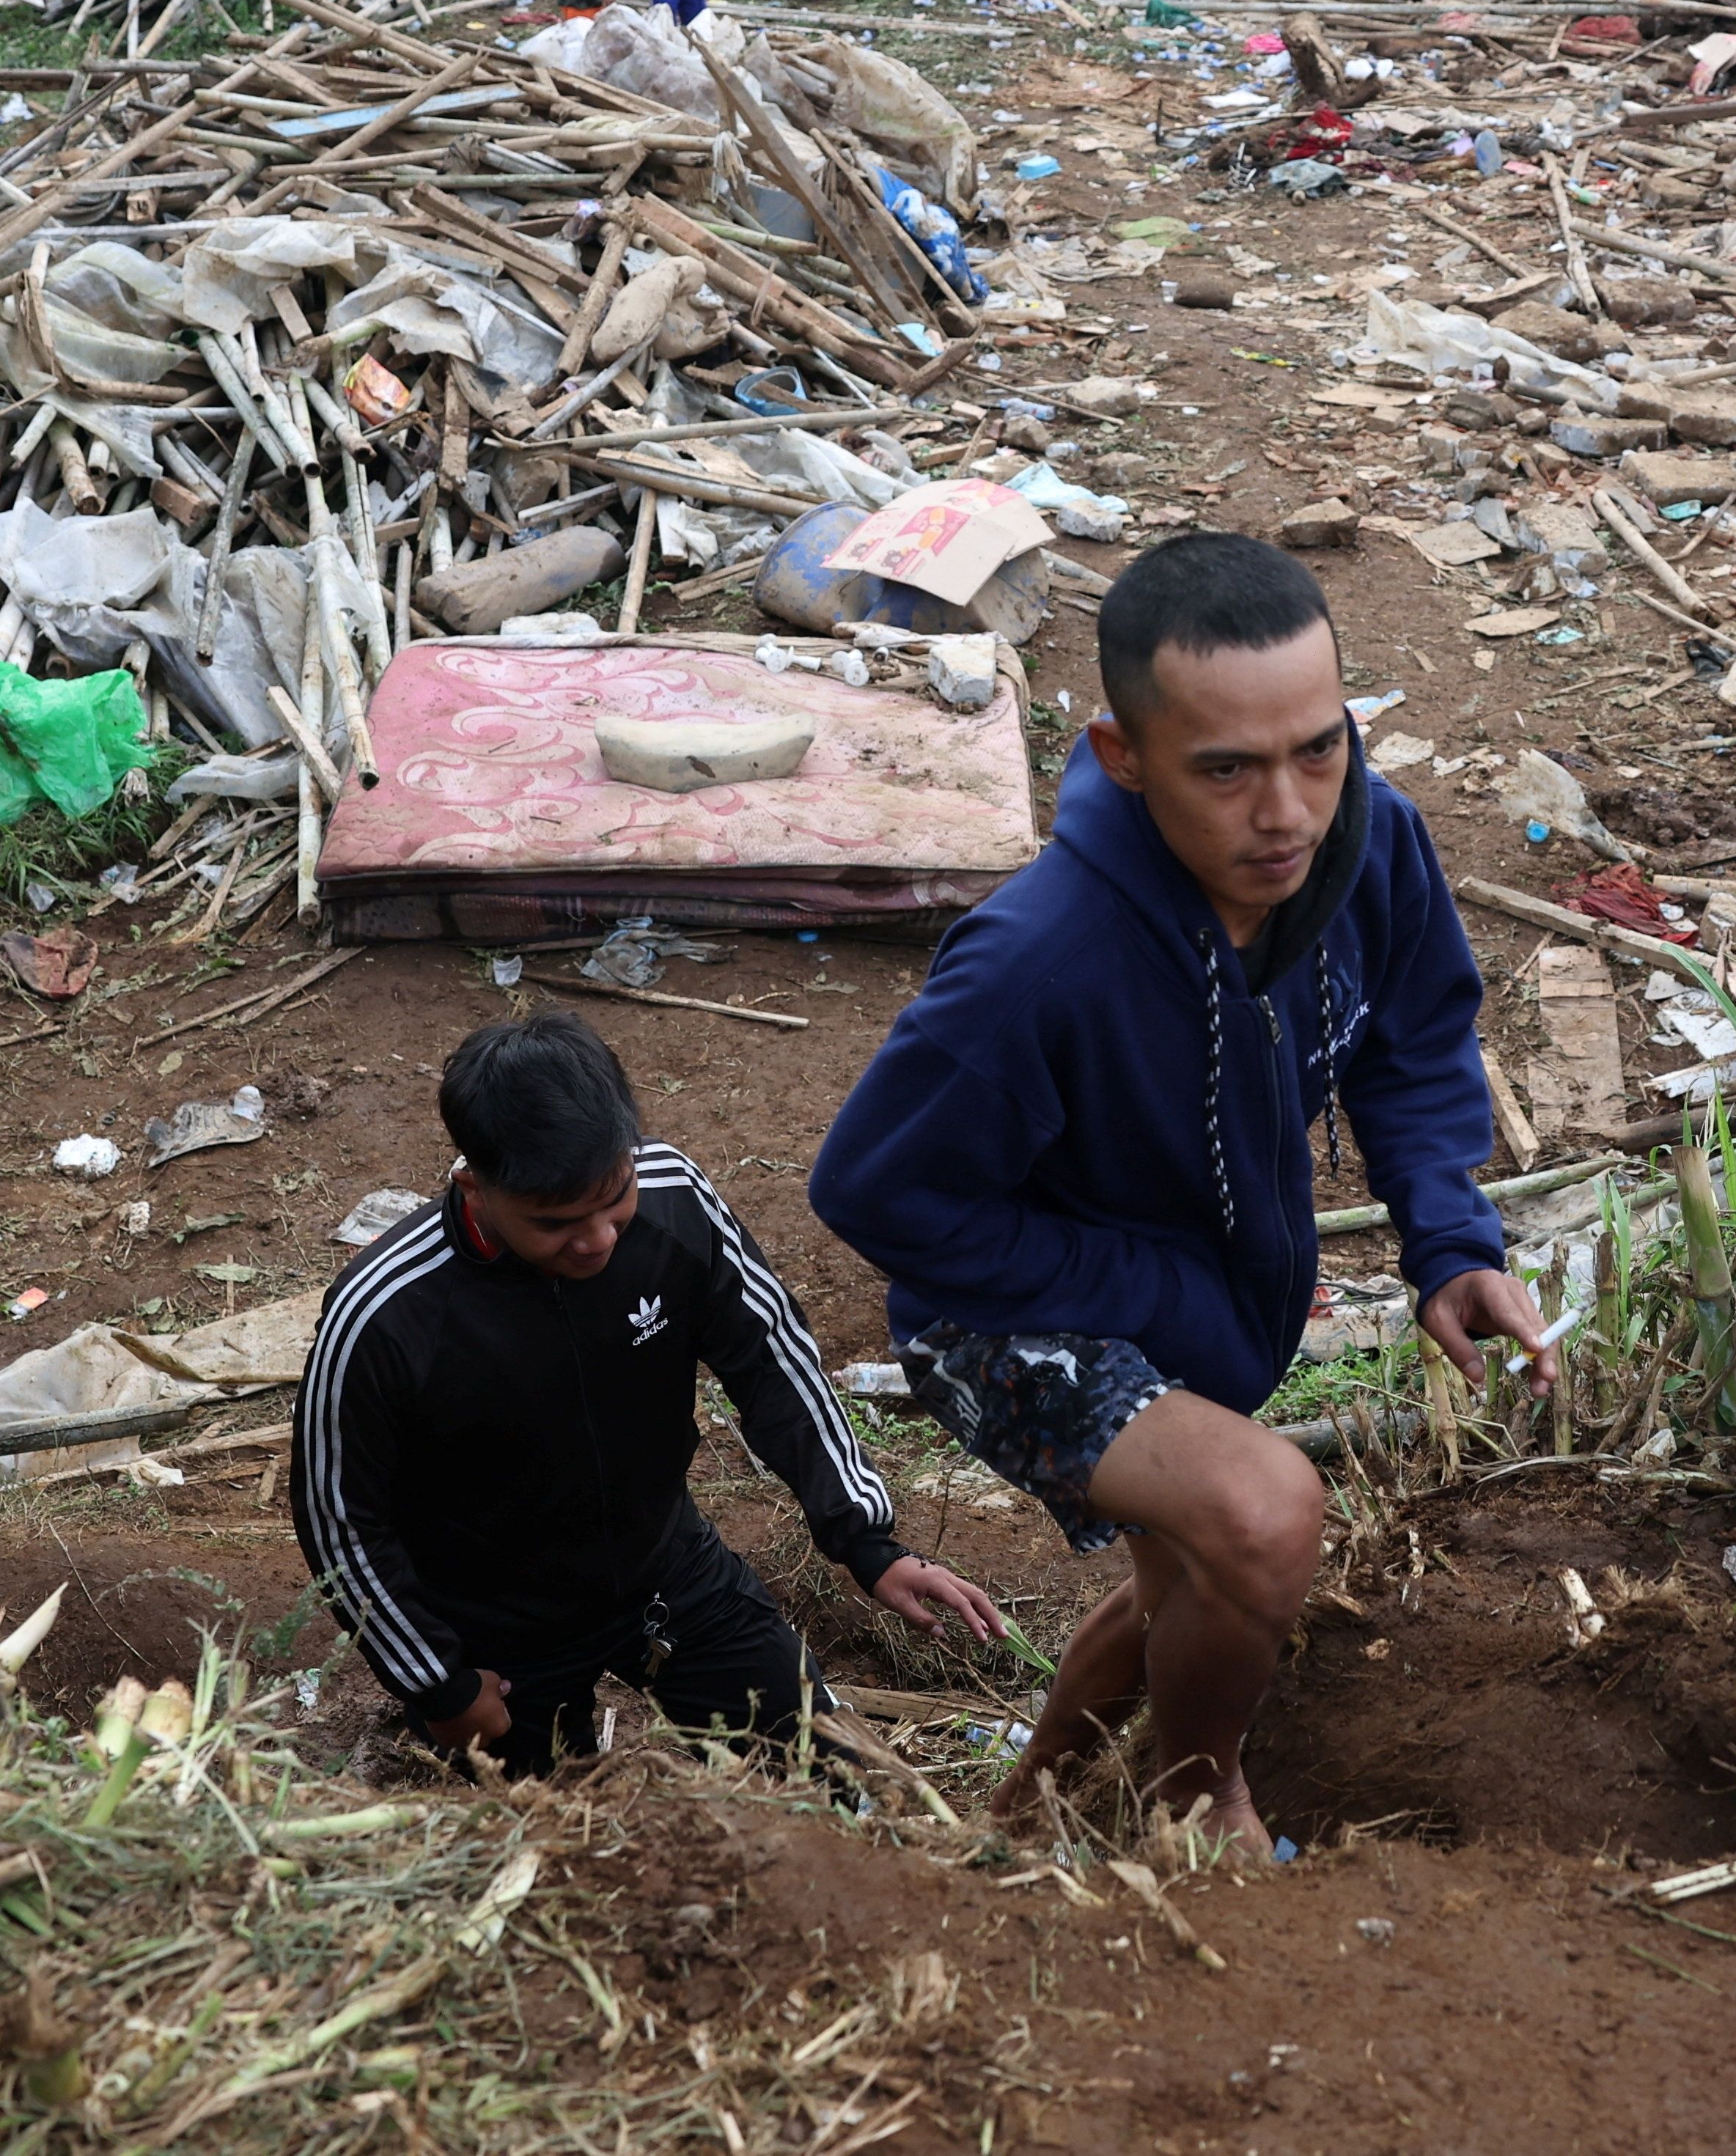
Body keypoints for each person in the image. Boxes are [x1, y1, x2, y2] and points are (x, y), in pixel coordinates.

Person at [812, 533, 1547, 1850]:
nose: (1286, 813)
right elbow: (873, 1189)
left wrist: (1449, 1239)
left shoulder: (1366, 850)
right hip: (1006, 1311)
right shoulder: (1037, 962)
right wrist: (1152, 1289)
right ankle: (1196, 1795)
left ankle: (1020, 1822)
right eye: (1226, 769)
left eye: (1317, 748)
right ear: (1122, 755)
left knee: (1196, 1582)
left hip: (1203, 1297)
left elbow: (1413, 1039)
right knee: (1261, 1512)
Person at [296, 1012, 1007, 1777]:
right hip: (493, 1628)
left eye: (614, 1198)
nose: (599, 1238)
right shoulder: (386, 1312)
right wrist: (438, 1682)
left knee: (827, 1768)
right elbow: (338, 1516)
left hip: (663, 1566)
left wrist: (869, 1543)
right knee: (545, 1845)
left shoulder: (675, 1200)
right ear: (477, 1187)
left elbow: (771, 1359)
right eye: (557, 1222)